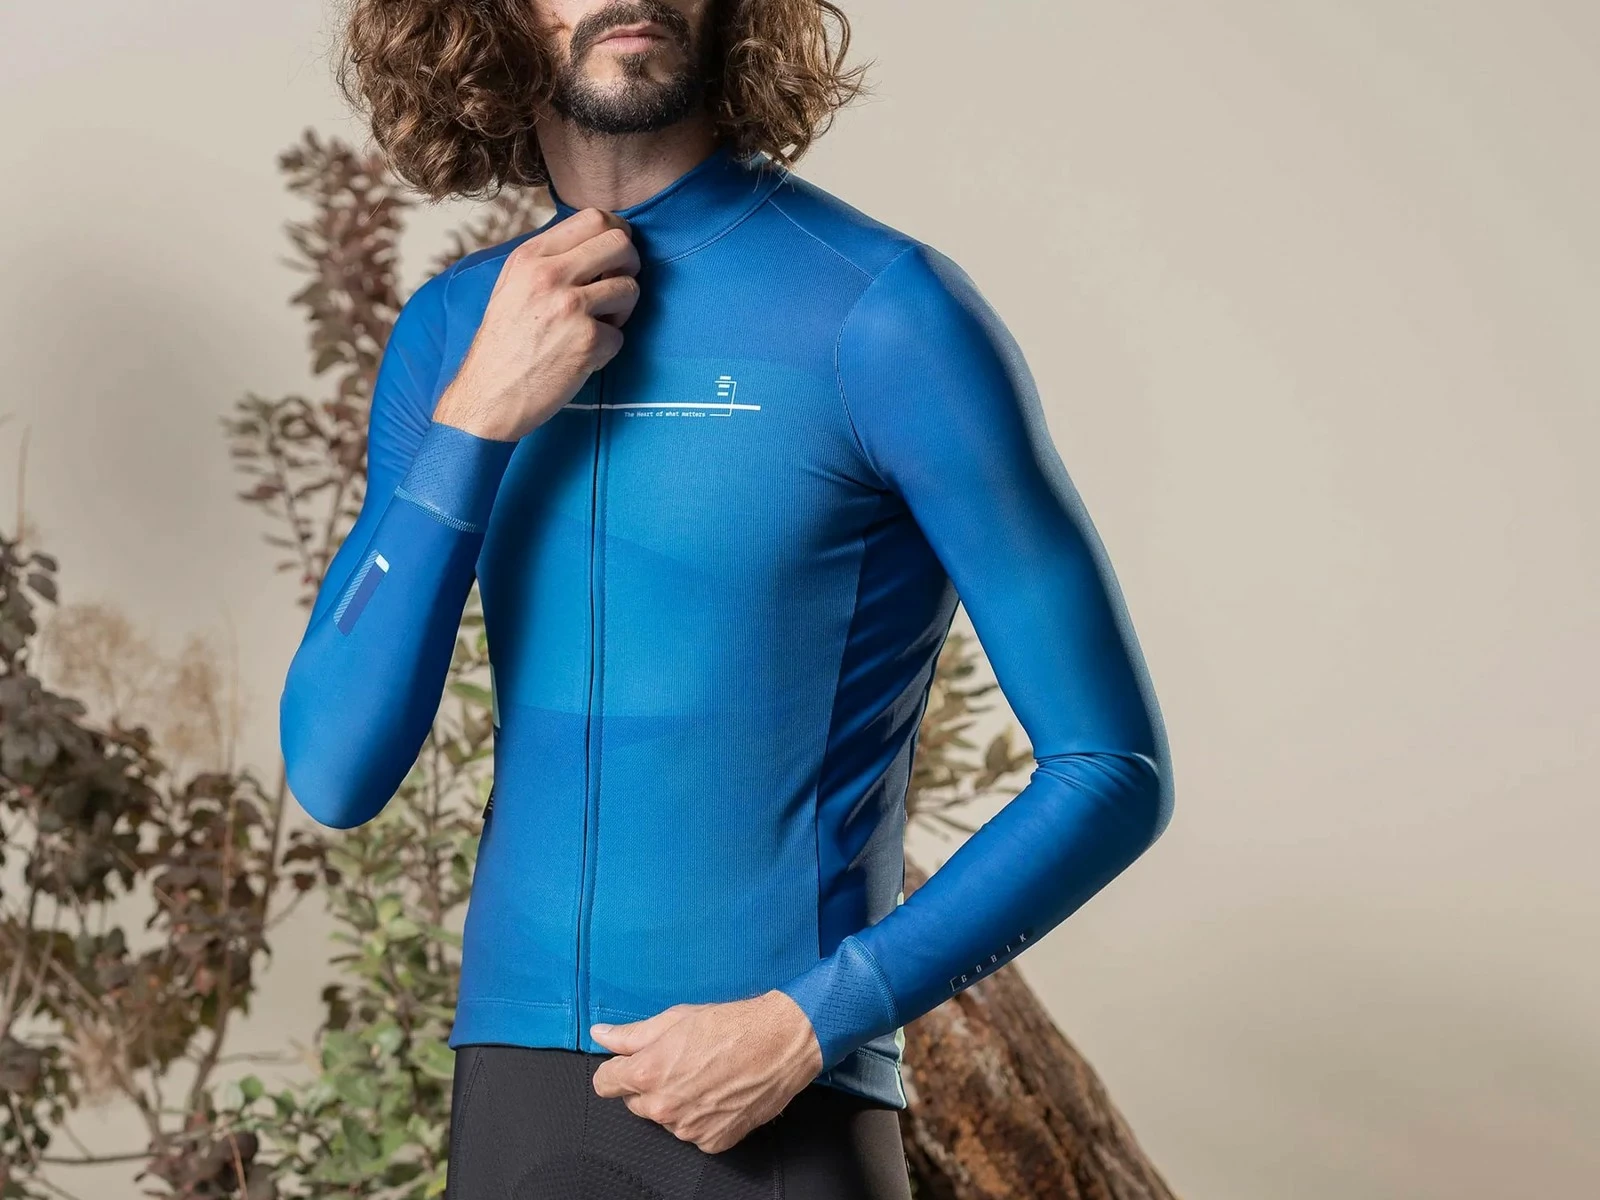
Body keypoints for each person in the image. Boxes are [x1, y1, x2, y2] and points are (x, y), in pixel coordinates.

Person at [280, 1, 1175, 1195]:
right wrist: (477, 415)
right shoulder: (455, 331)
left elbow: (1112, 770)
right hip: (511, 1109)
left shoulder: (887, 314)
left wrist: (813, 1020)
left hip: (779, 1117)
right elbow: (334, 769)